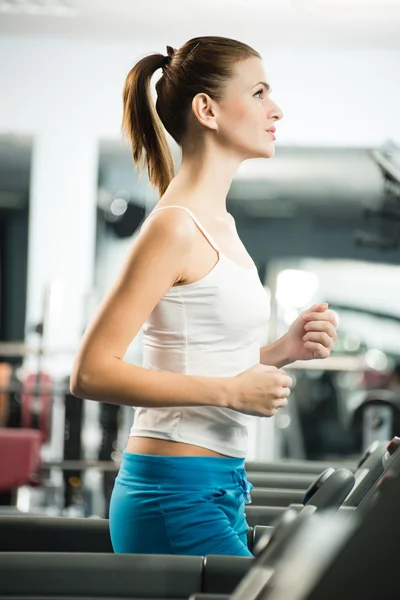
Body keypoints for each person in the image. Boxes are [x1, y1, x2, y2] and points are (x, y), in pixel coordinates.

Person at [71, 36, 338, 557]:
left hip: (221, 483)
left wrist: (283, 350)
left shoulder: (223, 226)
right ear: (206, 110)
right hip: (172, 491)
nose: (275, 109)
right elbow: (91, 372)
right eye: (259, 92)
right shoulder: (173, 228)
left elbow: (205, 359)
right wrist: (230, 394)